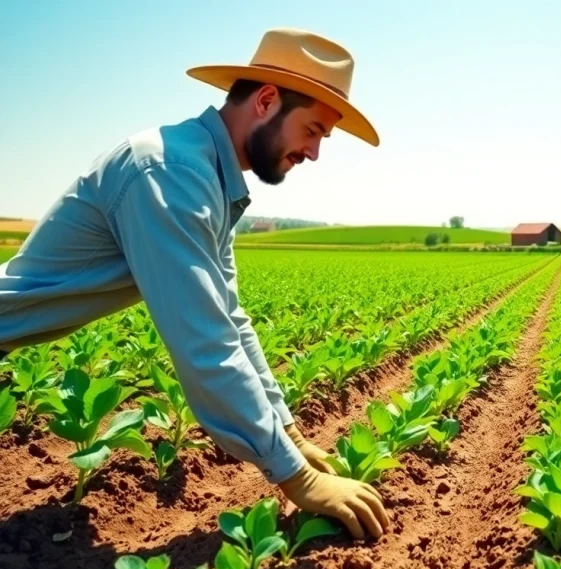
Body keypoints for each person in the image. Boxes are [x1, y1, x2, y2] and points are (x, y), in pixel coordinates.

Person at [0, 28, 390, 539]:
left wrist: (289, 431)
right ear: (267, 101)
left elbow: (229, 317)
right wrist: (296, 478)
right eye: (313, 129)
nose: (315, 152)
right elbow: (203, 340)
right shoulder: (170, 173)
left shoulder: (205, 174)